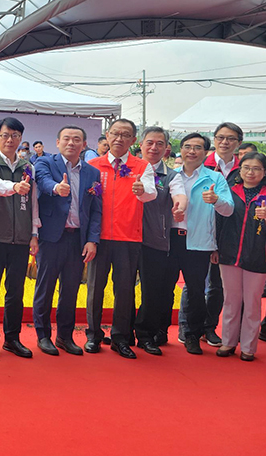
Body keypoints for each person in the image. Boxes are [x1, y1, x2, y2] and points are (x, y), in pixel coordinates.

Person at [84, 118, 156, 359]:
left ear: (133, 140)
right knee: (95, 288)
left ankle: (120, 337)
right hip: (98, 238)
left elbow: (150, 193)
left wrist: (142, 191)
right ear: (107, 135)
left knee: (124, 290)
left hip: (128, 238)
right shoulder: (93, 165)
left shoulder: (142, 166)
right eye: (115, 133)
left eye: (125, 134)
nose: (119, 138)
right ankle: (93, 335)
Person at [32, 126, 101, 356]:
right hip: (52, 238)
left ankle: (65, 336)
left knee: (70, 290)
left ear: (84, 144)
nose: (71, 143)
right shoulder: (45, 163)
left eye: (77, 139)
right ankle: (43, 335)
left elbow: (96, 210)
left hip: (77, 239)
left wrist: (92, 240)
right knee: (45, 287)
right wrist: (56, 188)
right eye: (67, 139)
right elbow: (42, 182)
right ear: (58, 142)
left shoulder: (92, 173)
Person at [0, 117, 38, 358]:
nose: (10, 140)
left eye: (15, 135)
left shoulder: (28, 167)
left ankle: (12, 338)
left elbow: (34, 203)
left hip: (21, 238)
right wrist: (14, 187)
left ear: (21, 138)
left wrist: (33, 234)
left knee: (16, 292)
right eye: (5, 135)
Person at [180, 122, 243, 347]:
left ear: (239, 143)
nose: (225, 142)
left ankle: (208, 328)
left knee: (216, 284)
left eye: (231, 139)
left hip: (229, 233)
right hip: (194, 233)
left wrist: (216, 201)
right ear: (213, 142)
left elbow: (231, 207)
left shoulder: (244, 168)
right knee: (192, 285)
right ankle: (187, 328)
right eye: (220, 137)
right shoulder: (197, 164)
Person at [133, 127, 186, 355]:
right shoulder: (128, 169)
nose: (154, 148)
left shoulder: (171, 176)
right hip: (123, 237)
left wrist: (180, 207)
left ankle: (145, 335)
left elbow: (179, 194)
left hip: (153, 239)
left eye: (159, 144)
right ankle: (121, 332)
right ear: (141, 145)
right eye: (150, 143)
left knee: (153, 290)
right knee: (122, 288)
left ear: (166, 148)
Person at [215, 152, 266, 361]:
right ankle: (227, 342)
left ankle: (248, 347)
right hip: (229, 253)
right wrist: (215, 248)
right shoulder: (229, 191)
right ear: (240, 170)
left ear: (264, 172)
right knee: (231, 300)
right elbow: (218, 221)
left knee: (252, 303)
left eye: (256, 168)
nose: (250, 172)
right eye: (246, 167)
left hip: (258, 256)